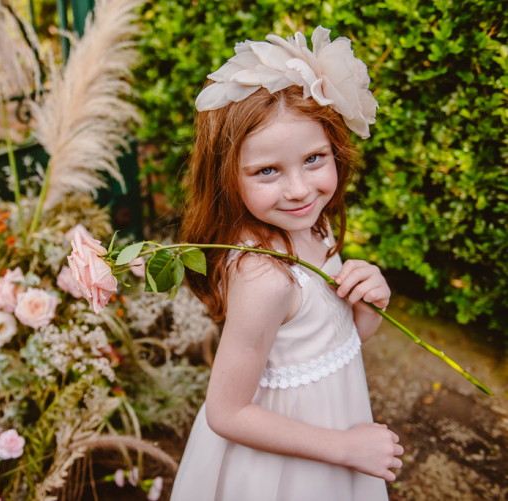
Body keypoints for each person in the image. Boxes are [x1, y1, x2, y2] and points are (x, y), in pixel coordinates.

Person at [170, 26, 402, 501]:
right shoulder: (263, 277)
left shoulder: (315, 227)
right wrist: (344, 448)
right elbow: (226, 413)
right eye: (268, 171)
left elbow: (339, 344)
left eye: (314, 159)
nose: (298, 189)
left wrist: (369, 302)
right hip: (288, 458)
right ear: (227, 177)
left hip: (334, 414)